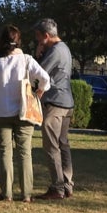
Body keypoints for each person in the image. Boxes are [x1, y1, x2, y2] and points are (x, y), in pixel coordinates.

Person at [0, 24, 50, 202]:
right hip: (24, 111)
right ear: (18, 40)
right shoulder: (26, 60)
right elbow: (45, 78)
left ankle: (6, 193)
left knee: (4, 152)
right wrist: (39, 92)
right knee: (24, 152)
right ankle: (26, 194)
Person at [33, 18, 74, 200]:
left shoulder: (54, 51)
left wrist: (38, 54)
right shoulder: (65, 48)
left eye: (39, 38)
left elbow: (38, 72)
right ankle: (67, 184)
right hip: (67, 102)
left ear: (46, 36)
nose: (38, 42)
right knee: (63, 144)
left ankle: (57, 187)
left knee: (51, 145)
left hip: (55, 103)